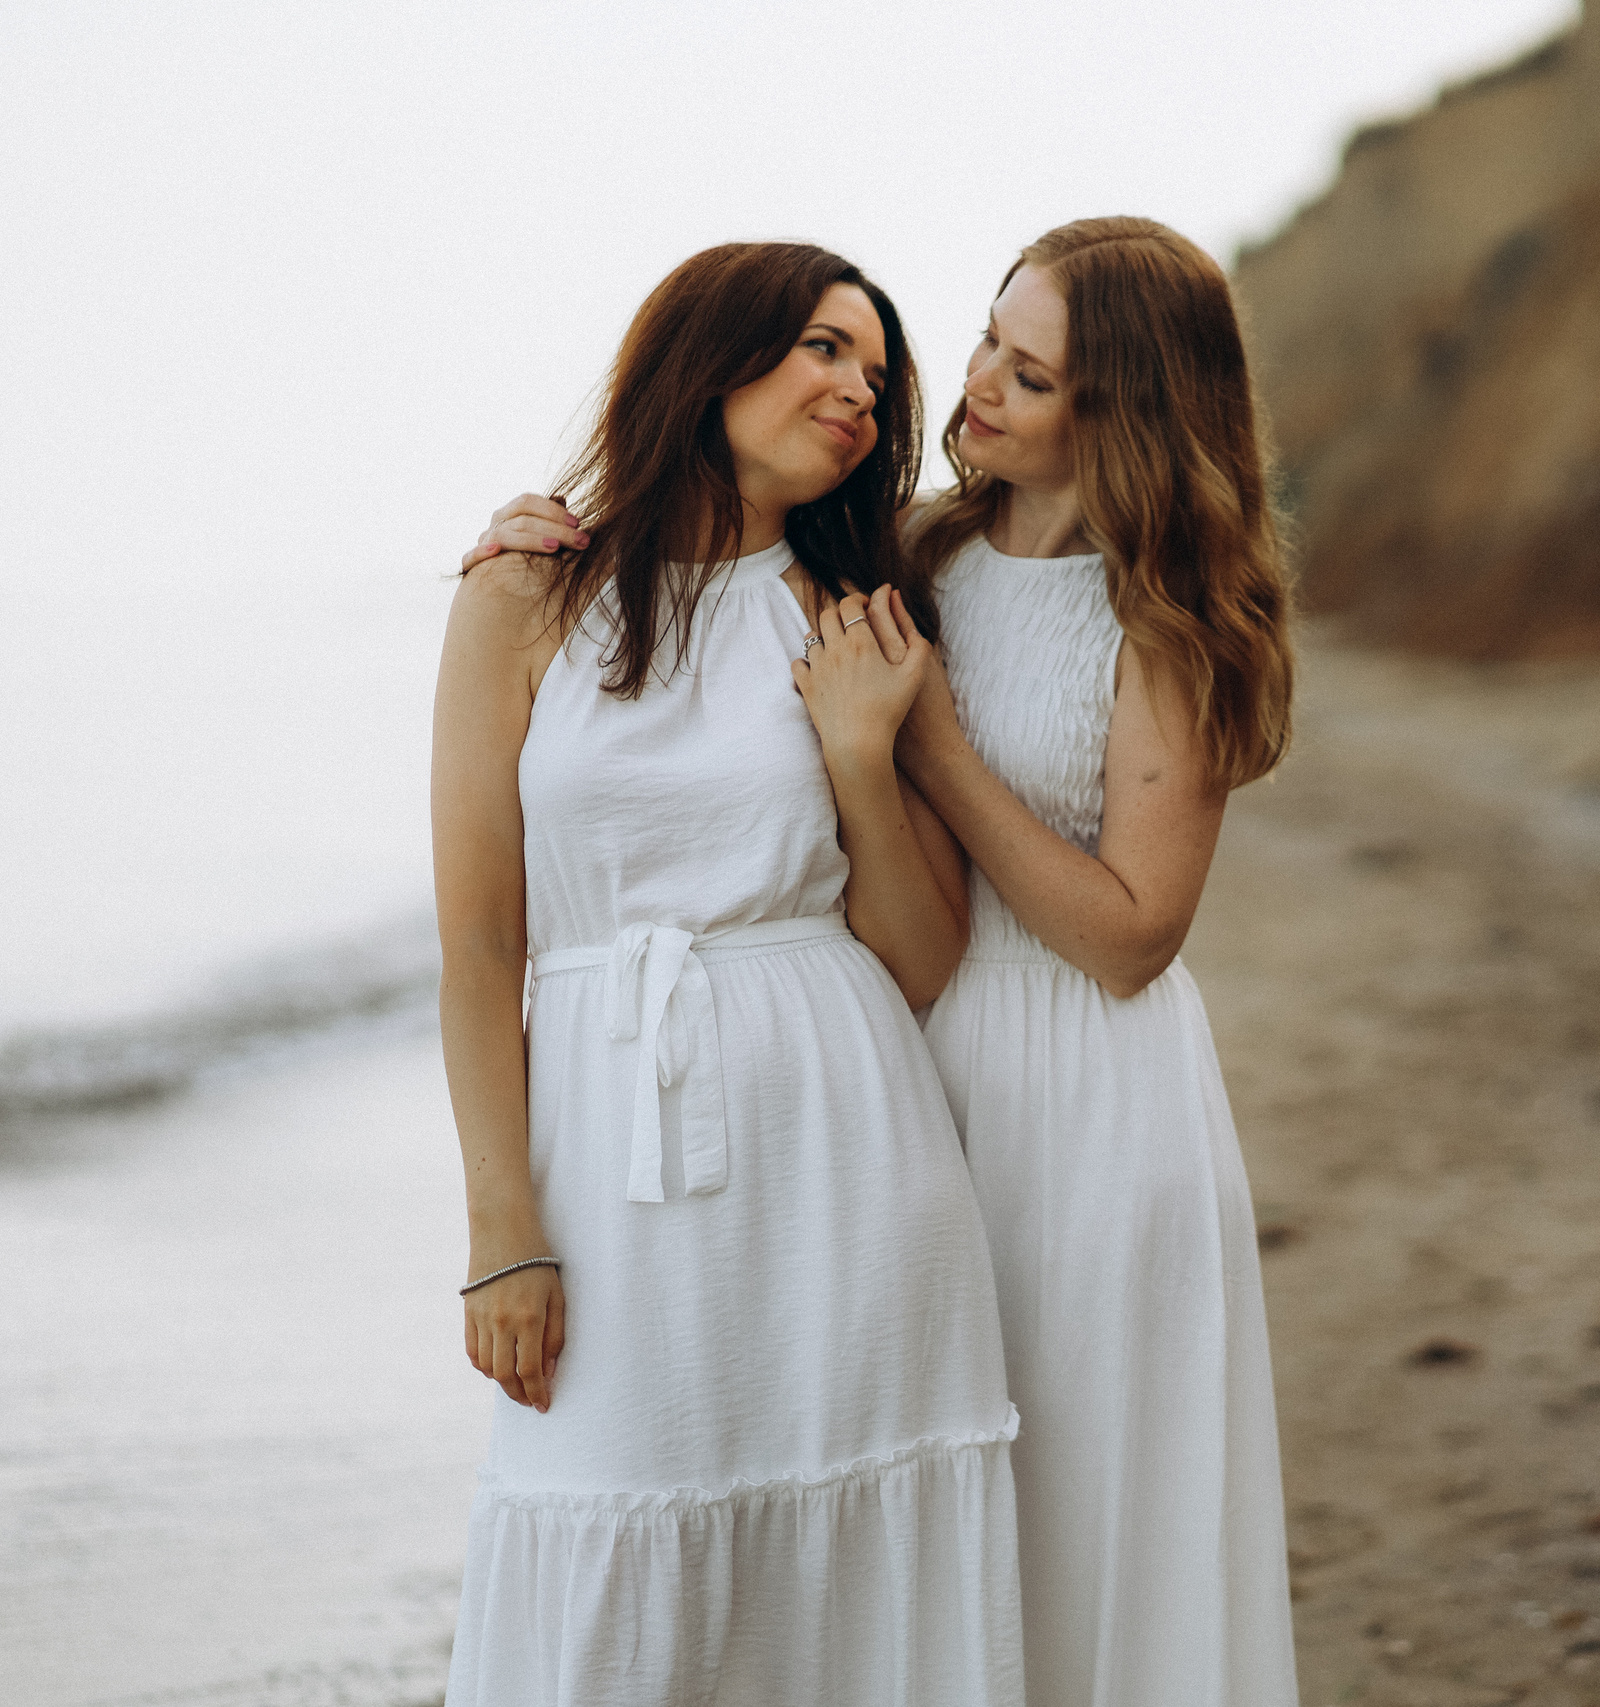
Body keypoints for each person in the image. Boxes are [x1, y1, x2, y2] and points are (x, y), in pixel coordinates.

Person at [473, 216, 1300, 1707]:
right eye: (986, 337)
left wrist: (919, 739)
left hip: (1081, 1099)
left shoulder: (1171, 616)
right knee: (914, 1537)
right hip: (897, 1075)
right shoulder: (911, 552)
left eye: (1027, 373)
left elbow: (1129, 937)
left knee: (1079, 1525)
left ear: (1116, 420)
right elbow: (710, 610)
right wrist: (550, 525)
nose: (968, 383)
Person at [432, 241, 1022, 1706]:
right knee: (609, 1531)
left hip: (841, 1141)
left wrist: (859, 759)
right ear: (712, 357)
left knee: (841, 1574)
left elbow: (925, 955)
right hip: (604, 1138)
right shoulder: (523, 596)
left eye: (879, 378)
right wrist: (504, 1227)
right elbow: (480, 945)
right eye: (828, 349)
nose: (860, 396)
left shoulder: (858, 619)